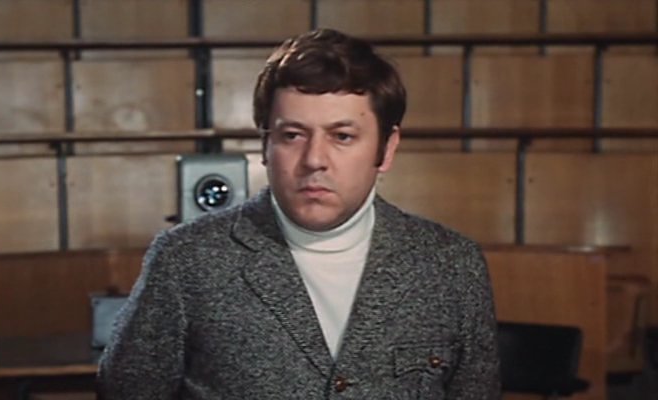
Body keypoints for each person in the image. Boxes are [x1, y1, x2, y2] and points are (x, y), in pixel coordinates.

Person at [97, 28, 500, 399]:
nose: (314, 160)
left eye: (342, 136)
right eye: (292, 135)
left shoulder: (452, 266)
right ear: (265, 146)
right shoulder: (185, 260)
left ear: (387, 148)